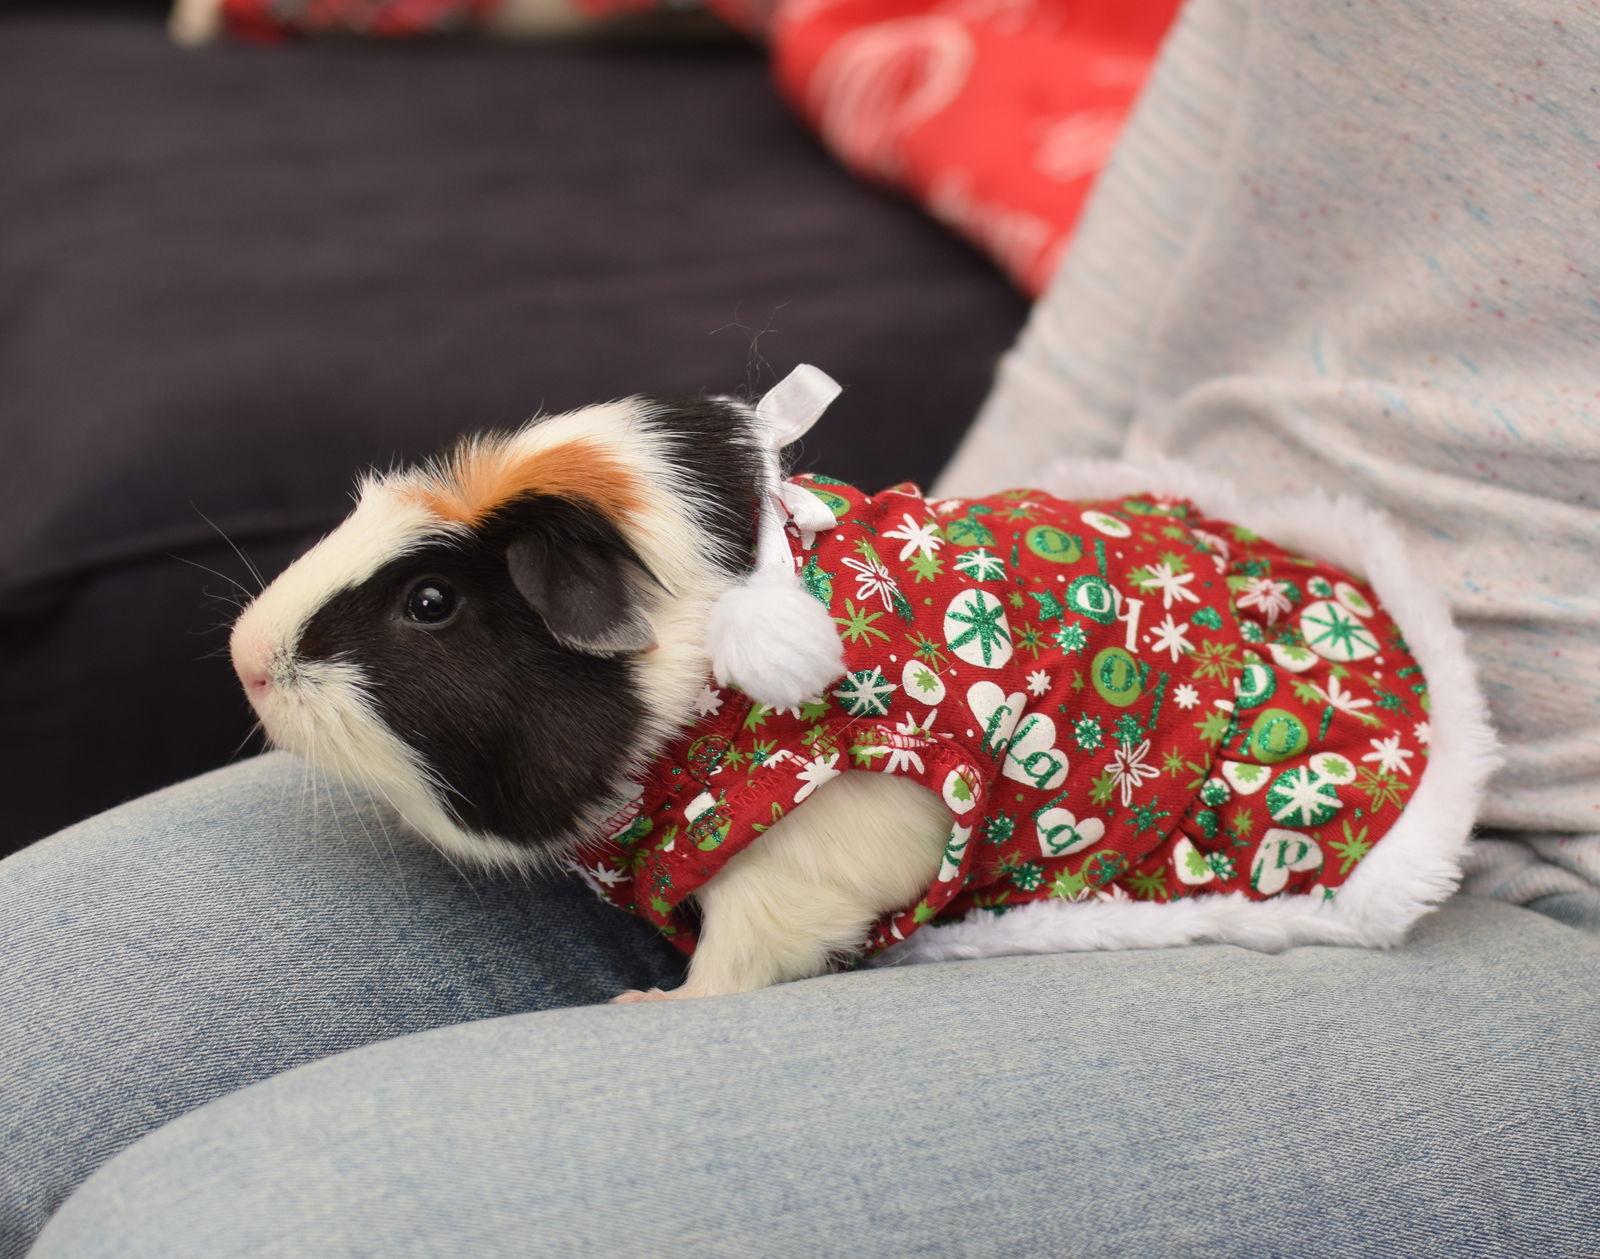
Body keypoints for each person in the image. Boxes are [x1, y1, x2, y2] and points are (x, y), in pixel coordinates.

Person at [5, 1, 1598, 1254]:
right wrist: (906, 628)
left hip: (1502, 876)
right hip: (1130, 603)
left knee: (224, 1234)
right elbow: (1201, 170)